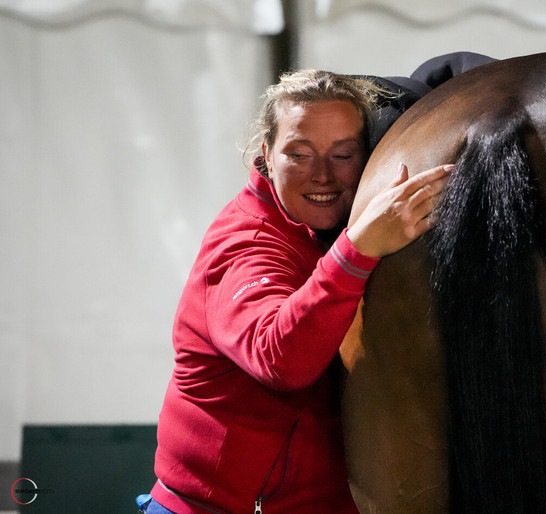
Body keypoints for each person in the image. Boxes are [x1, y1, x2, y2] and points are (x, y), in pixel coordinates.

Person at [140, 69, 453, 514]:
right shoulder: (247, 243)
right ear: (266, 154)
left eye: (343, 154)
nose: (322, 176)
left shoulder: (316, 232)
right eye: (299, 154)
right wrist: (359, 248)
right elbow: (279, 357)